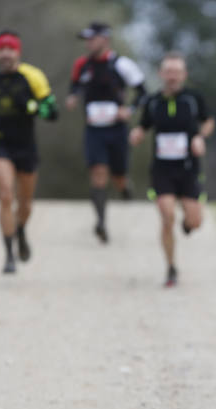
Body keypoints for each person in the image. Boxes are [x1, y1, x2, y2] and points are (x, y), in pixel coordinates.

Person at [0, 30, 58, 275]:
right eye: (1, 49)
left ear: (18, 52)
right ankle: (9, 255)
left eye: (10, 49)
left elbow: (52, 112)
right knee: (5, 196)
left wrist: (30, 106)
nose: (5, 54)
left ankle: (20, 230)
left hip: (26, 146)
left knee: (25, 203)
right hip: (0, 144)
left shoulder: (32, 77)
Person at [129, 52, 215, 287]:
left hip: (188, 168)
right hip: (162, 169)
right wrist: (138, 133)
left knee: (195, 222)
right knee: (167, 216)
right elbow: (144, 124)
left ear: (184, 75)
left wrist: (199, 137)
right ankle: (171, 267)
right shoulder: (153, 101)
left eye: (177, 72)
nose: (172, 76)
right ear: (161, 74)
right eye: (168, 72)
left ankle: (188, 223)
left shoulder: (193, 98)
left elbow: (208, 121)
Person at [66, 22, 146, 243]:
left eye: (92, 38)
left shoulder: (121, 65)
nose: (88, 43)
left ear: (105, 39)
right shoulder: (81, 65)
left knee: (118, 176)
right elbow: (74, 87)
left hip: (117, 130)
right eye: (86, 39)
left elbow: (143, 92)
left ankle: (125, 188)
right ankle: (100, 222)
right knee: (98, 173)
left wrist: (128, 110)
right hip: (93, 130)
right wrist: (72, 97)